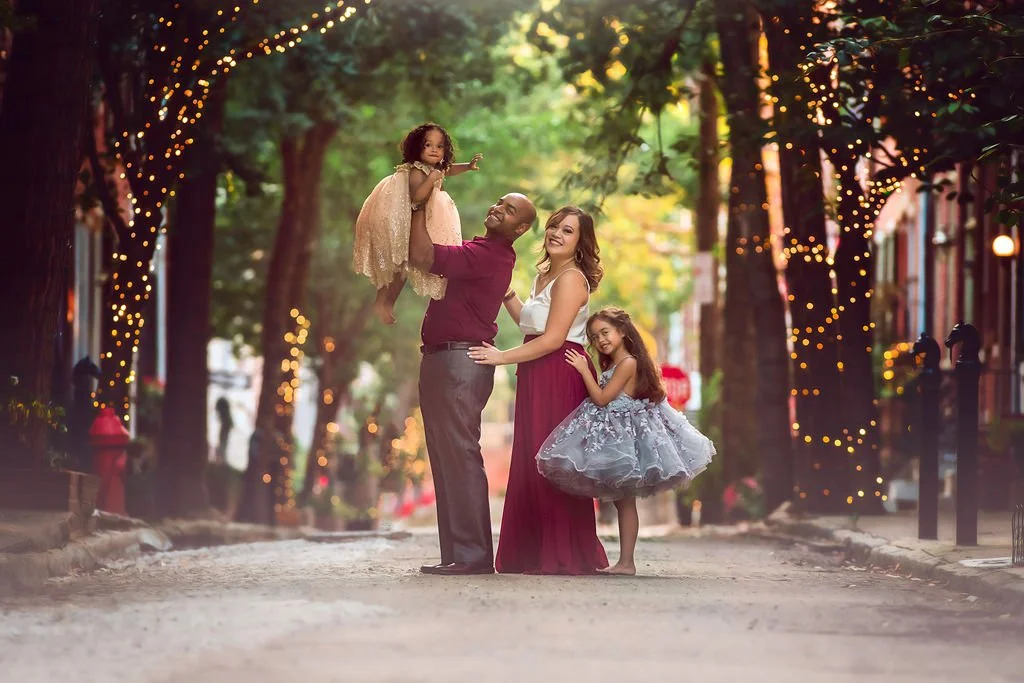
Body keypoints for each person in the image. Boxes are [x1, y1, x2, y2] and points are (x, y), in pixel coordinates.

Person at [468, 206, 609, 575]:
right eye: (553, 227)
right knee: (532, 458)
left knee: (555, 460)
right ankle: (529, 553)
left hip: (560, 371)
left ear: (580, 242)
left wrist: (501, 358)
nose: (556, 234)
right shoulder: (545, 275)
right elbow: (529, 324)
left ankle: (562, 552)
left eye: (568, 230)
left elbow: (553, 339)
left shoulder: (572, 279)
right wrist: (507, 292)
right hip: (535, 371)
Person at [408, 191, 537, 576]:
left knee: (460, 457)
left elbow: (423, 256)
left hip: (459, 363)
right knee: (445, 458)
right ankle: (457, 554)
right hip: (441, 360)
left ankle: (473, 555)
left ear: (521, 228)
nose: (498, 208)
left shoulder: (491, 255)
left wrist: (416, 205)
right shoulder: (480, 248)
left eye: (509, 209)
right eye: (499, 202)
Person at [536, 307, 716, 575]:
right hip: (616, 435)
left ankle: (627, 562)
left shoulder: (628, 363)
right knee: (622, 501)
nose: (601, 340)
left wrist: (584, 369)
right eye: (595, 337)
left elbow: (601, 398)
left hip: (624, 439)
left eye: (605, 333)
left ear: (622, 331)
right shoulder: (616, 363)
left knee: (626, 501)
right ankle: (624, 561)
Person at [353, 122, 484, 325]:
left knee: (402, 267)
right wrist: (431, 179)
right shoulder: (417, 171)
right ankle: (382, 302)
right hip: (402, 218)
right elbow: (416, 196)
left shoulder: (434, 169)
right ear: (417, 148)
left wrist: (467, 167)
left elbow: (448, 170)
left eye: (439, 146)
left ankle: (386, 302)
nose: (434, 150)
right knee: (398, 264)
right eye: (428, 145)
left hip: (416, 220)